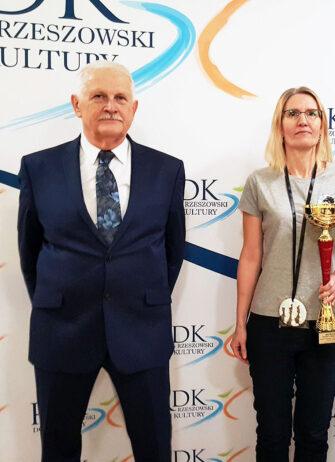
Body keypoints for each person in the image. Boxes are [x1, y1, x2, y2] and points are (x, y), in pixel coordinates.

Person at [17, 61, 185, 462]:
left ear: (133, 108)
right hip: (63, 329)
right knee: (58, 449)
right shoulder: (39, 168)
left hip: (141, 330)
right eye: (98, 96)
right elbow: (29, 250)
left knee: (154, 448)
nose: (111, 105)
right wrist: (59, 297)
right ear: (77, 104)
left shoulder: (167, 170)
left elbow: (172, 251)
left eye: (120, 97)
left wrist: (139, 293)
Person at [230, 87, 335, 461]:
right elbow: (251, 255)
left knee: (314, 435)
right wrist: (240, 324)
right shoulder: (260, 182)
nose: (303, 120)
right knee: (271, 435)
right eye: (293, 113)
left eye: (311, 113)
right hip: (269, 324)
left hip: (326, 323)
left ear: (322, 125)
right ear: (280, 125)